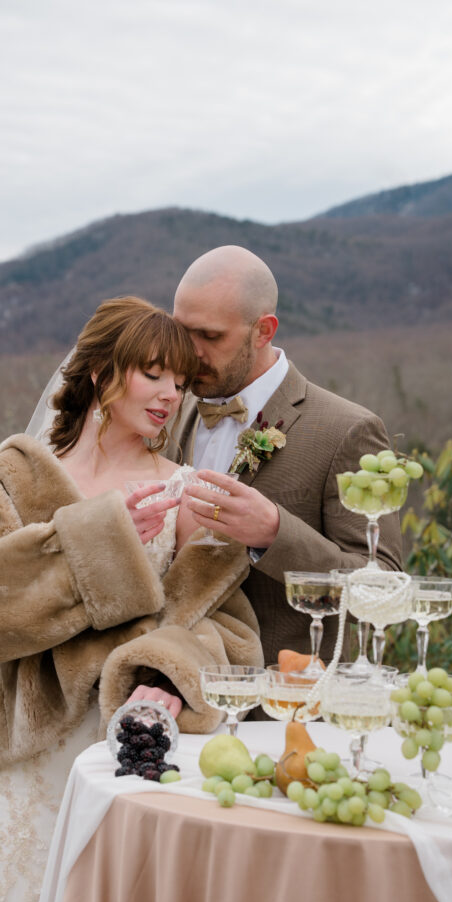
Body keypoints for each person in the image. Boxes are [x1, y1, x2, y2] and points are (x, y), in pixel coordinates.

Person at [0, 296, 262, 902]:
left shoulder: (182, 490)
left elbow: (229, 633)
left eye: (180, 381)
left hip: (132, 744)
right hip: (35, 750)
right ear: (101, 373)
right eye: (153, 374)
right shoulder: (19, 475)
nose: (170, 395)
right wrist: (97, 539)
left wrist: (166, 676)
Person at [171, 245, 404, 664]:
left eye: (210, 336)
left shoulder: (348, 430)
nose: (190, 352)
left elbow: (385, 595)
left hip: (283, 693)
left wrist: (275, 534)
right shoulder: (165, 411)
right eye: (182, 332)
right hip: (168, 685)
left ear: (263, 331)